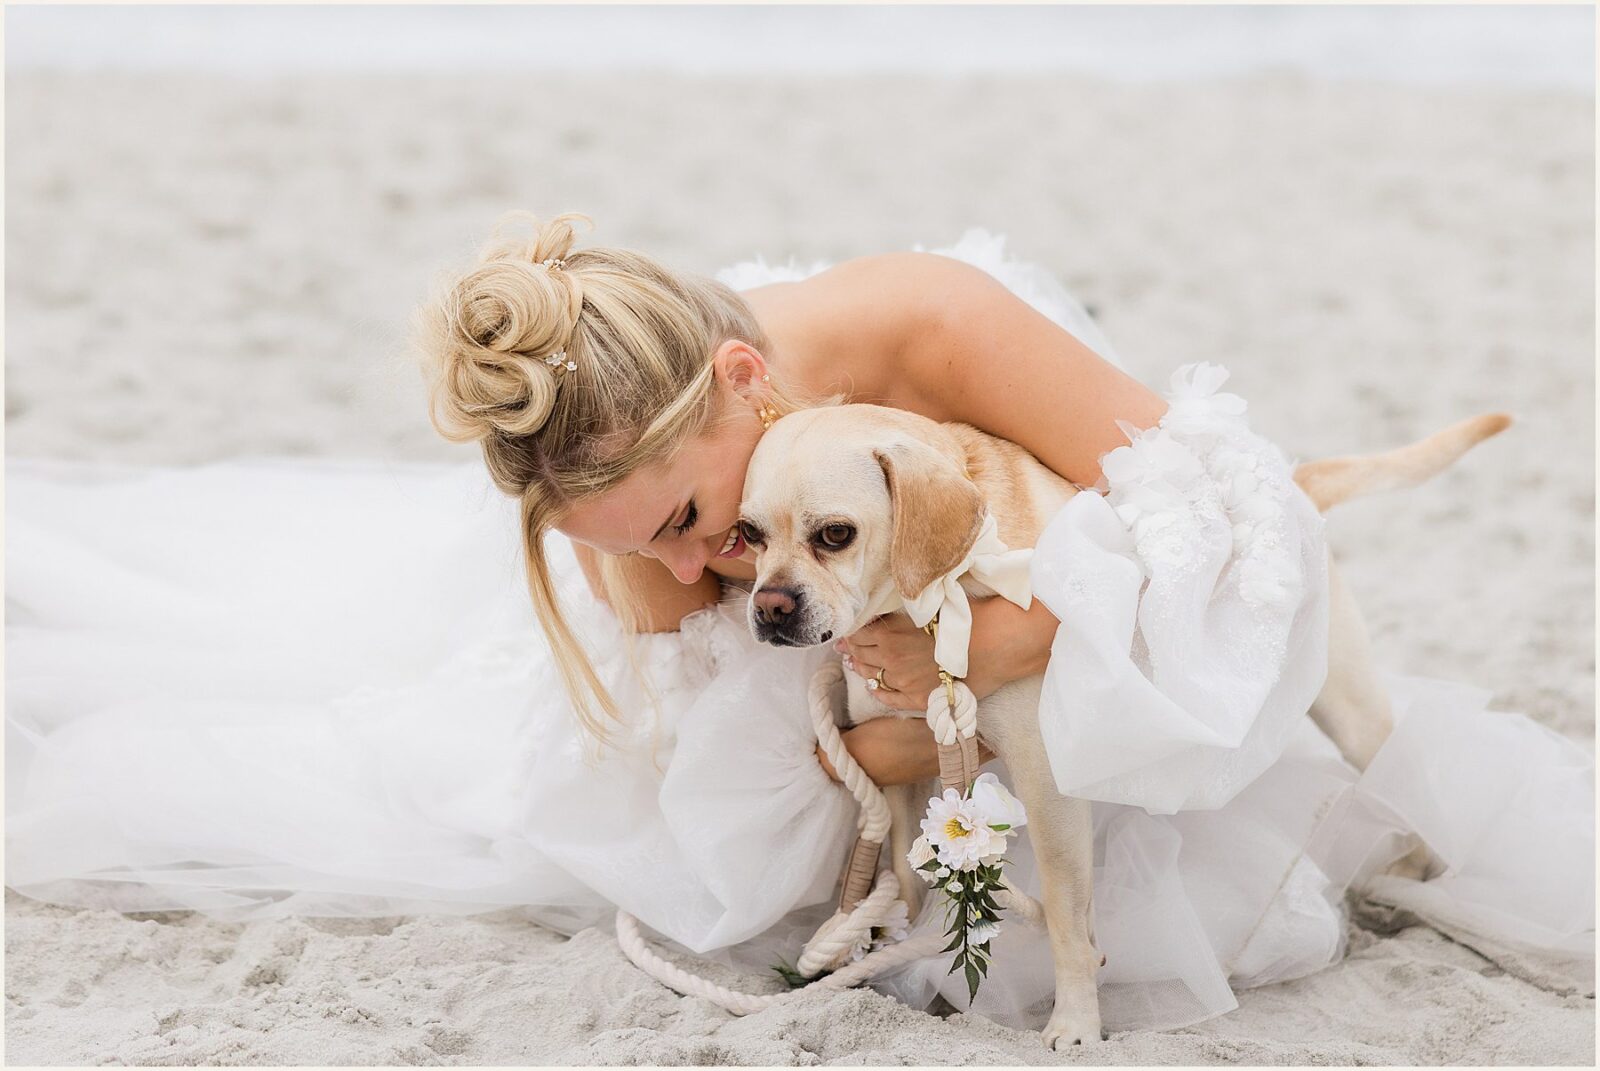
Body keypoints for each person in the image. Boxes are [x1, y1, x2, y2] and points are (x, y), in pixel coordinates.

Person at [6, 214, 1591, 1034]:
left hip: (1036, 559)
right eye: (651, 548)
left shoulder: (932, 320)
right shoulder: (643, 548)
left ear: (756, 391)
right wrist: (895, 705)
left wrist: (1025, 641)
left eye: (700, 523)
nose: (701, 570)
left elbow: (1223, 510)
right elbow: (825, 751)